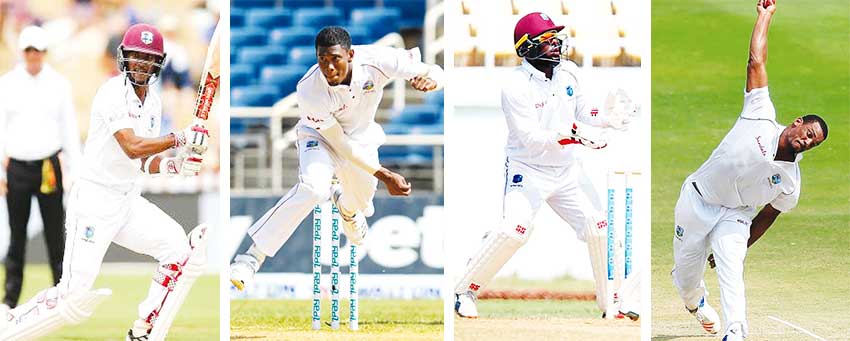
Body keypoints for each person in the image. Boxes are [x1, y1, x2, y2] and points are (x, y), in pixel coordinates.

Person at [0, 23, 211, 340]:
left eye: (148, 58)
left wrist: (175, 165)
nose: (141, 63)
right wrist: (179, 138)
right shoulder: (112, 93)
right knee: (72, 297)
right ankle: (10, 323)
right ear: (124, 57)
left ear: (159, 63)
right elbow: (132, 146)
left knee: (178, 249)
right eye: (136, 56)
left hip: (127, 201)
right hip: (94, 202)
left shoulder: (153, 102)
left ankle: (143, 331)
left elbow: (142, 161)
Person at [453, 12, 639, 319]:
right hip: (528, 171)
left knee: (599, 228)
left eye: (556, 39)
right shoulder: (515, 86)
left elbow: (583, 110)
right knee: (514, 230)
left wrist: (607, 118)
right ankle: (464, 291)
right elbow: (531, 140)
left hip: (567, 171)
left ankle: (613, 304)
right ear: (527, 47)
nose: (555, 45)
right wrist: (575, 136)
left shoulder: (569, 72)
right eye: (547, 40)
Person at [230, 26, 444, 290]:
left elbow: (435, 71)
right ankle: (251, 258)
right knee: (314, 188)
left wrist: (432, 82)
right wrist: (385, 174)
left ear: (350, 55)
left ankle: (347, 208)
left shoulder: (379, 60)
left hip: (361, 138)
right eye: (322, 59)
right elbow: (339, 144)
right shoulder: (309, 89)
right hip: (319, 137)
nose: (329, 68)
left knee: (361, 203)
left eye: (335, 59)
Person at [671, 1, 828, 339]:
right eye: (808, 134)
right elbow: (756, 60)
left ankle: (736, 330)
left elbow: (769, 215)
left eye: (812, 143)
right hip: (698, 199)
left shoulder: (790, 183)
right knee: (686, 279)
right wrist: (765, 16)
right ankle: (696, 304)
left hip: (736, 214)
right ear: (798, 122)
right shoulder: (760, 113)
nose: (806, 142)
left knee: (731, 265)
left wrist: (742, 246)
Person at [0, 25, 82, 309]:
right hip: (17, 166)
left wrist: (75, 170)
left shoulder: (59, 84)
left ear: (45, 52)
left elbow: (69, 128)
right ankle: (10, 299)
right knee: (16, 235)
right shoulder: (7, 84)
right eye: (29, 51)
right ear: (22, 52)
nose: (33, 56)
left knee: (55, 234)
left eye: (38, 50)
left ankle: (62, 294)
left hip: (49, 165)